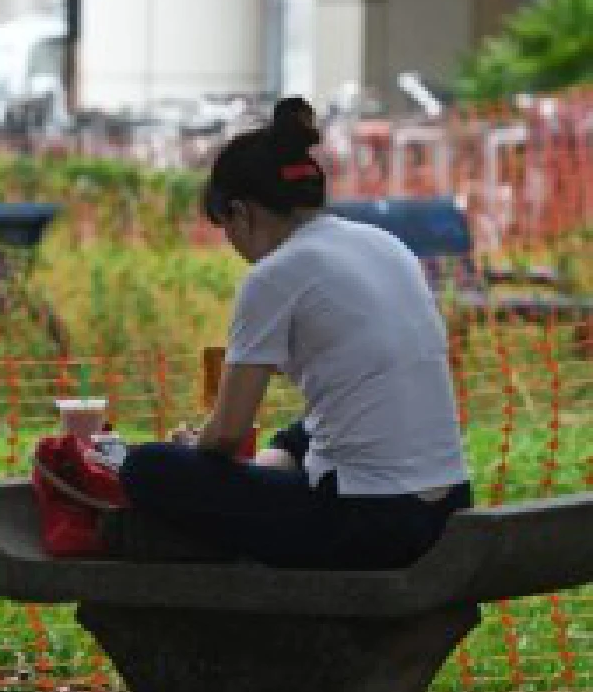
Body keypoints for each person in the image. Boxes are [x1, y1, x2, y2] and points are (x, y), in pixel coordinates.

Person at [118, 97, 473, 571]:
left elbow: (226, 432)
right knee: (305, 431)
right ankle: (269, 475)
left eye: (228, 230)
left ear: (241, 213)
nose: (237, 249)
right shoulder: (382, 243)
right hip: (447, 506)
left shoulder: (275, 274)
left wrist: (191, 453)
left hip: (372, 521)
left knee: (147, 469)